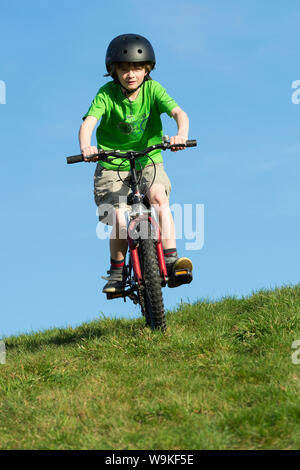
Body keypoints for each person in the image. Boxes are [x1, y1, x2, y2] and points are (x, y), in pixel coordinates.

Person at [79, 33, 193, 293]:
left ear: (147, 69)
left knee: (159, 198)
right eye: (124, 69)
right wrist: (87, 147)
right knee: (119, 216)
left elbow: (179, 113)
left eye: (137, 68)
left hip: (149, 159)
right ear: (113, 71)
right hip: (111, 164)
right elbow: (88, 123)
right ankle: (117, 272)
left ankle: (172, 259)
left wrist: (181, 135)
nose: (131, 74)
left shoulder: (153, 90)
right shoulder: (106, 95)